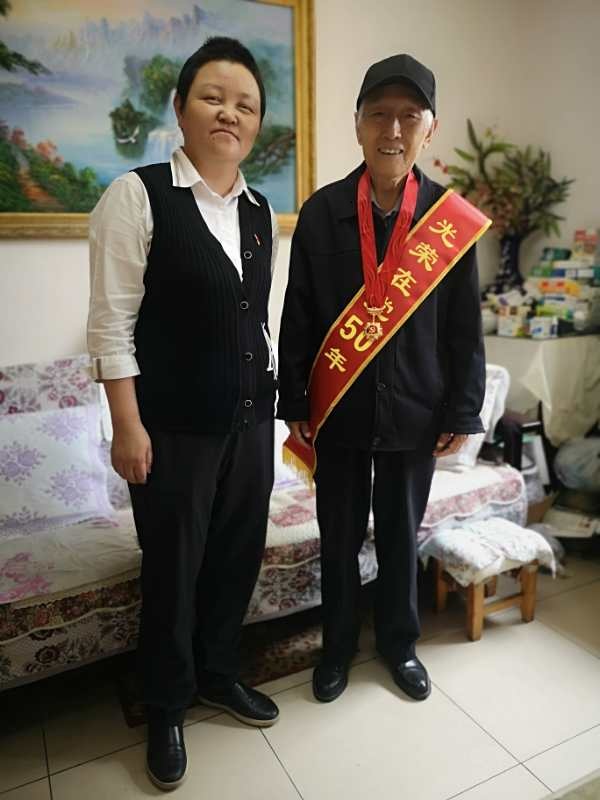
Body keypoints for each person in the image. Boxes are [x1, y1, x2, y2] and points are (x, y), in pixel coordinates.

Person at [88, 37, 280, 791]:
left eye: (246, 105)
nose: (229, 113)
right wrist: (127, 426)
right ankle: (166, 704)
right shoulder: (136, 196)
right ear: (181, 107)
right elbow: (112, 326)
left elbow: (254, 321)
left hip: (250, 424)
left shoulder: (259, 211)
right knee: (172, 571)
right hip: (171, 430)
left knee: (236, 558)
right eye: (213, 97)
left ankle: (218, 673)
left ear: (257, 123)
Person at [277, 54, 489, 705]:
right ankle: (337, 648)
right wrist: (295, 400)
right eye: (378, 115)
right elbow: (299, 313)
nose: (392, 130)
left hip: (416, 410)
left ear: (430, 127)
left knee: (401, 536)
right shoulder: (322, 212)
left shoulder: (448, 221)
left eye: (408, 116)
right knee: (338, 538)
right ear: (358, 125)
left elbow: (464, 327)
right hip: (340, 410)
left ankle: (399, 645)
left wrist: (463, 410)